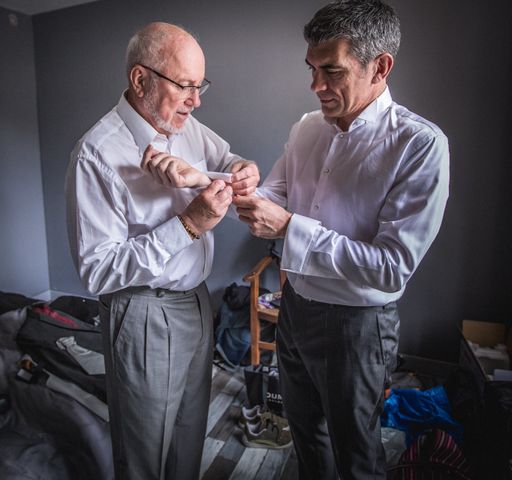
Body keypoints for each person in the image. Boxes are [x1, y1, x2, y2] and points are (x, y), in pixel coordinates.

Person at [232, 1, 450, 479]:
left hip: (358, 326)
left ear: (380, 67)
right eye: (311, 69)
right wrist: (245, 189)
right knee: (306, 433)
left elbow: (392, 266)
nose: (315, 86)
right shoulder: (306, 128)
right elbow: (277, 191)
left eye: (331, 71)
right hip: (294, 306)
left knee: (356, 453)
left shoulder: (419, 145)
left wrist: (289, 227)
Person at [64, 22, 259, 480]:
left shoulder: (188, 128)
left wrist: (241, 168)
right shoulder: (95, 154)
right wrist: (189, 224)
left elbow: (225, 159)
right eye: (186, 86)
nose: (196, 100)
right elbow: (96, 271)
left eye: (200, 85)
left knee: (191, 429)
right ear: (140, 80)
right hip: (143, 312)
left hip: (197, 300)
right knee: (145, 447)